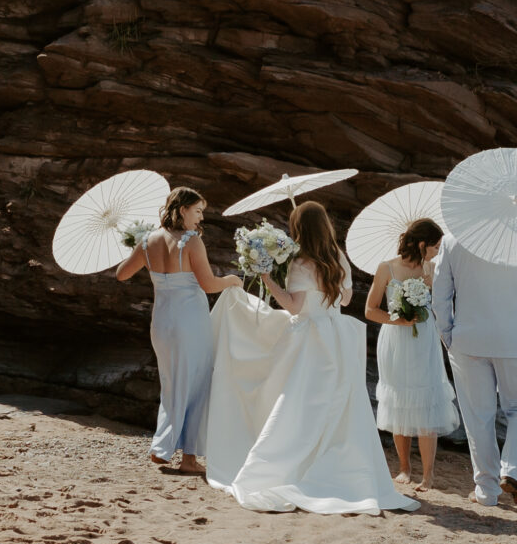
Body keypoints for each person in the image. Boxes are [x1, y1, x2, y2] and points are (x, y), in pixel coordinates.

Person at [200, 200, 413, 515]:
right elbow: (346, 299)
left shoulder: (301, 263)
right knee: (337, 408)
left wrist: (268, 278)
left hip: (309, 340)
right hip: (336, 337)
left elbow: (294, 307)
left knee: (299, 405)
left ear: (299, 229)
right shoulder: (338, 257)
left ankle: (293, 466)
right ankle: (337, 470)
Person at [114, 186, 235, 474]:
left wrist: (136, 247)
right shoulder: (192, 241)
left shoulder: (148, 241)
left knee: (171, 384)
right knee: (196, 385)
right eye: (197, 211)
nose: (201, 218)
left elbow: (121, 274)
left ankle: (162, 447)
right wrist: (231, 280)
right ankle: (188, 459)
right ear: (182, 210)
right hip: (190, 321)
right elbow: (209, 284)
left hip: (162, 322)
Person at [430, 227, 517, 509]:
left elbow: (440, 296)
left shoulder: (452, 240)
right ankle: (513, 471)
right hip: (515, 340)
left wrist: (448, 336)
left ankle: (486, 491)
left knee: (478, 417)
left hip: (468, 340)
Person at [364, 215, 458, 490]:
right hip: (395, 340)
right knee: (399, 401)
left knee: (427, 400)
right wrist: (400, 320)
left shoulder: (434, 269)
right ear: (421, 244)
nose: (438, 251)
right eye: (435, 246)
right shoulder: (386, 268)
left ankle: (428, 475)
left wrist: (432, 284)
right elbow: (370, 310)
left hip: (424, 341)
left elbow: (446, 304)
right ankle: (404, 468)